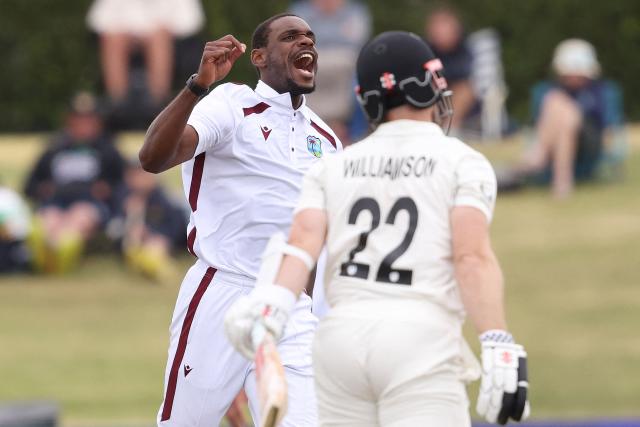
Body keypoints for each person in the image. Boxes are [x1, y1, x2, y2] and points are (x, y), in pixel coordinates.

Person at [225, 31, 530, 426]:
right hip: (419, 338)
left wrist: (272, 309)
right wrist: (497, 341)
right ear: (428, 86)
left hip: (340, 342)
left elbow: (301, 245)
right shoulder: (462, 162)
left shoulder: (333, 164)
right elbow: (470, 257)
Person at [139, 13, 342, 426]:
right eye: (290, 37)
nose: (306, 43)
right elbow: (153, 158)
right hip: (222, 293)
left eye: (310, 38)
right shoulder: (231, 104)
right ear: (260, 57)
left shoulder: (327, 140)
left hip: (288, 305)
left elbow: (323, 240)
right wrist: (197, 86)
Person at [24, 92, 125, 273]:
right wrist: (42, 190)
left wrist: (108, 191)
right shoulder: (54, 149)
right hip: (56, 203)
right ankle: (46, 261)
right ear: (69, 121)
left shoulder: (108, 150)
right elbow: (30, 185)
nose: (83, 126)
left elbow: (123, 184)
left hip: (91, 205)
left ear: (98, 122)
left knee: (79, 217)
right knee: (49, 219)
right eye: (78, 120)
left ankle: (58, 264)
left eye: (88, 120)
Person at [520, 38, 623, 198]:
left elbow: (606, 124)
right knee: (556, 102)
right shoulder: (549, 90)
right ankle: (562, 180)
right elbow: (540, 122)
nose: (573, 76)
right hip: (554, 141)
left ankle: (539, 158)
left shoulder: (600, 91)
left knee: (563, 109)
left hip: (588, 142)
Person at [290, 0, 372, 144]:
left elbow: (357, 43)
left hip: (346, 67)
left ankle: (356, 138)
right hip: (310, 63)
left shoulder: (355, 12)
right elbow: (296, 45)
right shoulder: (300, 12)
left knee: (362, 86)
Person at [109, 160, 187, 281]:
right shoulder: (122, 197)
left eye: (144, 175)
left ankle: (157, 268)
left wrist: (154, 234)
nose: (140, 180)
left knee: (155, 249)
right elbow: (113, 228)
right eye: (135, 175)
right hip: (131, 244)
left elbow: (176, 225)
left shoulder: (163, 199)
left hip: (158, 241)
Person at [424, 6, 476, 131]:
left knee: (464, 89)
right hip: (435, 96)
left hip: (458, 98)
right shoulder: (426, 49)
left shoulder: (464, 49)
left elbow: (462, 75)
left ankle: (450, 128)